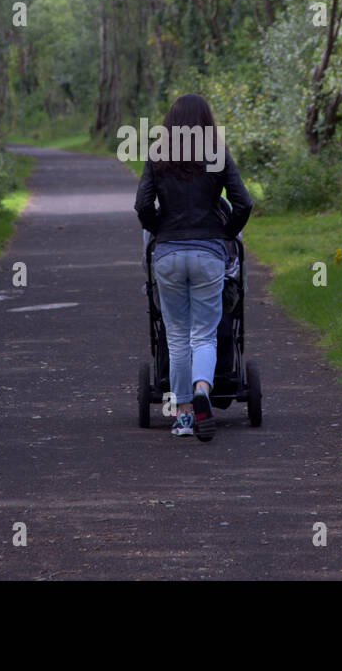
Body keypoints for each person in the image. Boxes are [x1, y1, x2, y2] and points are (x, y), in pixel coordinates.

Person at [134, 94, 252, 442]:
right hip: (209, 253)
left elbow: (142, 204)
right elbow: (243, 202)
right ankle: (204, 389)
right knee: (204, 333)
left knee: (176, 336)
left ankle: (184, 414)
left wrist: (160, 229)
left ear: (170, 121)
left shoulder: (158, 154)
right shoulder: (216, 153)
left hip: (168, 253)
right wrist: (225, 234)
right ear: (206, 120)